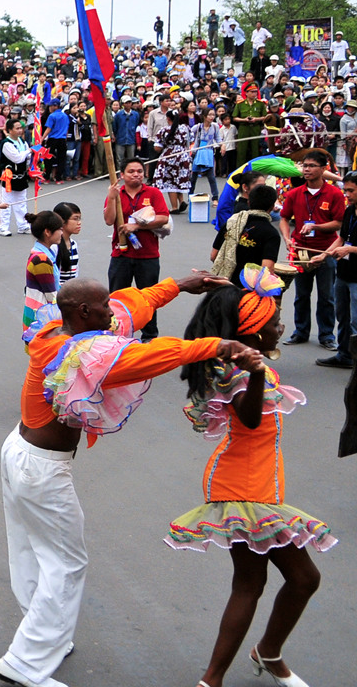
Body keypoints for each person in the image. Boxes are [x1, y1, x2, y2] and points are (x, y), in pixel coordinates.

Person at [0, 271, 248, 687]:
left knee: (29, 549)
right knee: (67, 562)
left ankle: (41, 632)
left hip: (19, 452)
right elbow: (148, 356)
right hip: (40, 468)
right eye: (102, 308)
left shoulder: (56, 327)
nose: (111, 314)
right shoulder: (81, 354)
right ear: (83, 312)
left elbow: (131, 305)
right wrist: (217, 345)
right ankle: (25, 662)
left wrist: (178, 286)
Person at [169, 268, 334, 687]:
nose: (281, 327)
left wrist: (232, 292)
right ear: (255, 333)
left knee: (303, 579)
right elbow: (250, 417)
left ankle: (268, 653)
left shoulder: (245, 362)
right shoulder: (240, 371)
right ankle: (212, 679)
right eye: (274, 322)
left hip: (259, 484)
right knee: (251, 582)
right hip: (241, 486)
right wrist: (257, 373)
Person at [279, 150, 345, 349]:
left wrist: (316, 226)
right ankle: (300, 331)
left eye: (311, 166)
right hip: (300, 251)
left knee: (327, 296)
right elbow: (284, 218)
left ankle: (327, 335)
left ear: (323, 169)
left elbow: (339, 223)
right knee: (301, 295)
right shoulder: (294, 193)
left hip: (326, 251)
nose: (306, 169)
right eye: (304, 166)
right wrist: (287, 238)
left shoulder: (334, 194)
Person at [104, 158, 171, 341]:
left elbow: (163, 217)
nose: (136, 175)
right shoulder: (116, 193)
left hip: (148, 255)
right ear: (122, 175)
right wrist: (111, 197)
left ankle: (149, 336)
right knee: (117, 298)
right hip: (121, 253)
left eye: (139, 171)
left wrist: (138, 226)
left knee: (148, 298)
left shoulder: (153, 193)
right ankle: (118, 335)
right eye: (131, 171)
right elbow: (109, 220)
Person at [312, 172, 357, 369]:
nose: (347, 195)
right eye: (345, 190)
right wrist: (324, 255)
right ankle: (344, 355)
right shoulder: (349, 211)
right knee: (343, 317)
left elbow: (346, 246)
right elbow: (341, 238)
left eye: (351, 191)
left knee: (356, 321)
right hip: (343, 273)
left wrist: (350, 250)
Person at [211, 184, 281, 283]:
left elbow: (214, 256)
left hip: (223, 284)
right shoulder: (271, 234)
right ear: (272, 207)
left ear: (248, 203)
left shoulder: (231, 222)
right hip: (248, 289)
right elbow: (266, 270)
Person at [22, 211, 64, 333]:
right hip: (41, 319)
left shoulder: (43, 253)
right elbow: (51, 296)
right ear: (47, 232)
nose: (62, 233)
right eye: (59, 229)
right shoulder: (41, 260)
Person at [153, 113, 193, 213]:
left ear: (168, 118)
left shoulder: (164, 130)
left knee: (170, 181)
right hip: (183, 156)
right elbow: (191, 140)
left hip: (169, 156)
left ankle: (174, 207)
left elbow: (157, 147)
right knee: (179, 179)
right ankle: (181, 201)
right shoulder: (185, 128)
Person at [0, 120, 31, 236]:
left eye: (21, 128)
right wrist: (28, 152)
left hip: (21, 175)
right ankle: (3, 227)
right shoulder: (6, 144)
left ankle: (23, 225)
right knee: (6, 203)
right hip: (9, 176)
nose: (20, 130)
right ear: (9, 130)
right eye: (17, 128)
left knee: (21, 202)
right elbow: (17, 158)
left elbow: (27, 158)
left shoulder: (22, 142)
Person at [190, 108, 223, 198]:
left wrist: (222, 145)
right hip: (198, 153)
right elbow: (189, 135)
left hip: (208, 153)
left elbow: (218, 139)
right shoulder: (198, 127)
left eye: (213, 115)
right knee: (193, 178)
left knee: (211, 177)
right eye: (209, 115)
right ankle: (190, 196)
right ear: (204, 116)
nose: (212, 117)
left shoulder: (215, 126)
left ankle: (215, 197)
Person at [233, 83, 267, 165]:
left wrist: (256, 119)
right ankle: (240, 169)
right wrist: (244, 120)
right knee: (242, 150)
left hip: (255, 127)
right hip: (244, 127)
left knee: (255, 150)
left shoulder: (260, 103)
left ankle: (255, 168)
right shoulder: (240, 104)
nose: (254, 94)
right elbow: (234, 117)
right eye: (252, 92)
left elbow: (265, 117)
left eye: (255, 92)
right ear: (246, 93)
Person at [52, 202, 82, 284]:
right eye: (75, 219)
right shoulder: (53, 246)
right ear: (62, 221)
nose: (79, 222)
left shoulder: (73, 243)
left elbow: (75, 273)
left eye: (79, 219)